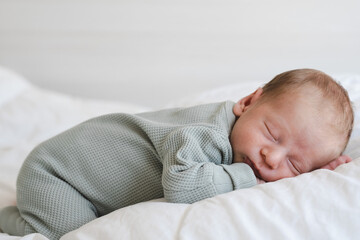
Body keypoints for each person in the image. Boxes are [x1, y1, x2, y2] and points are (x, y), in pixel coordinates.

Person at [0, 69, 354, 240]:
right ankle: (12, 218)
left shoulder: (243, 141)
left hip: (78, 182)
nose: (272, 159)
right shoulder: (206, 134)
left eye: (295, 163)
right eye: (272, 134)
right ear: (247, 103)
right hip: (57, 175)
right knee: (70, 233)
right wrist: (250, 178)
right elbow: (183, 187)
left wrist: (317, 172)